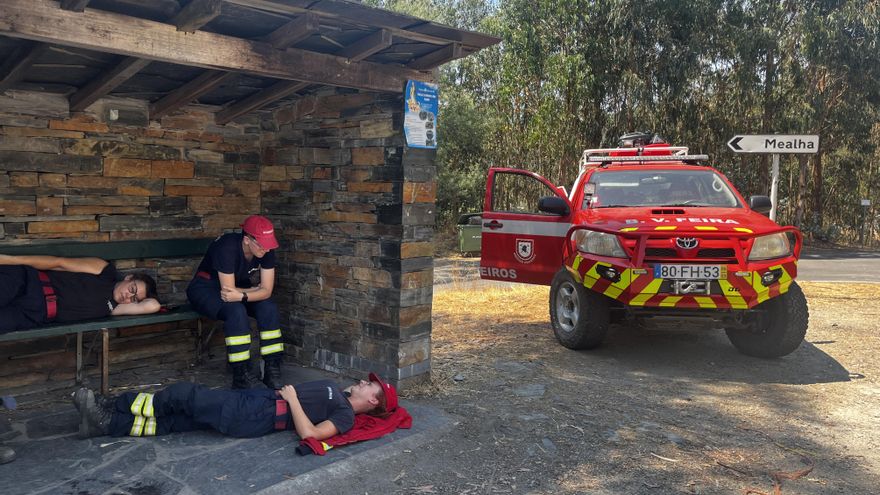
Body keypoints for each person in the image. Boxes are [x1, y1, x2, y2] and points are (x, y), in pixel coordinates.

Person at [73, 373, 398, 442]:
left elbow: (311, 434)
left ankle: (109, 405)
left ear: (373, 400)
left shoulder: (343, 415)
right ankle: (104, 423)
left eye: (370, 385)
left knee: (185, 395)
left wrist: (294, 400)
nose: (364, 381)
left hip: (257, 415)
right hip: (258, 403)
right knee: (177, 420)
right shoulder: (339, 393)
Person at [187, 215, 284, 390]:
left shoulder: (266, 250)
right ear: (247, 240)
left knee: (268, 307)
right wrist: (254, 291)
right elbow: (228, 293)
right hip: (206, 288)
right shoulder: (227, 247)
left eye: (270, 243)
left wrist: (245, 295)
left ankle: (272, 368)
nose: (267, 249)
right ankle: (241, 373)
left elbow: (266, 290)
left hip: (238, 289)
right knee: (235, 311)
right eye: (262, 244)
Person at [0, 254, 160, 334]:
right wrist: (8, 260)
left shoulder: (115, 308)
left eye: (134, 299)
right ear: (129, 278)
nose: (128, 296)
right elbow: (58, 263)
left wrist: (138, 299)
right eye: (132, 289)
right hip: (29, 283)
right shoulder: (105, 271)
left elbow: (153, 305)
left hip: (33, 314)